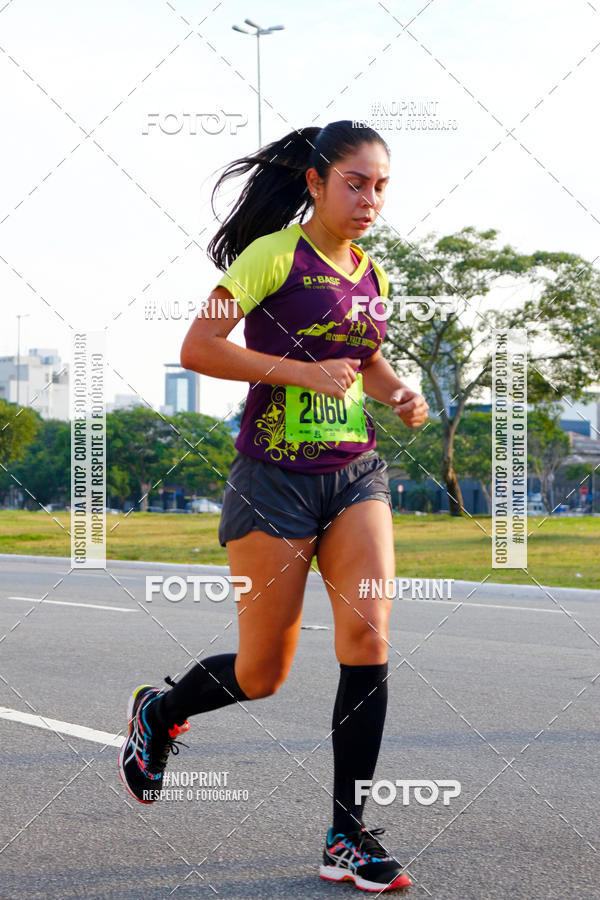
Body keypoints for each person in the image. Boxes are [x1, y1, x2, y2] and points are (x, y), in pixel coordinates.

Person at [119, 120, 429, 893]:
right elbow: (199, 348)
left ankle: (348, 837)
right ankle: (161, 711)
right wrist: (295, 371)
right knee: (262, 674)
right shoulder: (272, 257)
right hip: (273, 485)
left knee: (369, 635)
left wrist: (394, 391)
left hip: (353, 473)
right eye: (355, 182)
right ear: (316, 183)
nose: (369, 199)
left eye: (381, 184)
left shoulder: (370, 271)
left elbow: (362, 360)